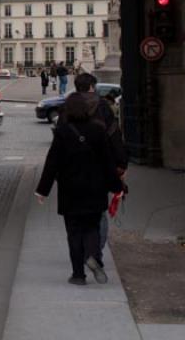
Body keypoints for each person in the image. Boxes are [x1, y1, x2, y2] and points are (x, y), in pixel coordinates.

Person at [35, 92, 123, 285]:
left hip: (70, 189)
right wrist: (117, 186)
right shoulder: (98, 130)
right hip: (95, 187)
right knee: (91, 226)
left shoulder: (63, 132)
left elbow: (52, 163)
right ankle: (92, 255)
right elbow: (108, 162)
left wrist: (43, 190)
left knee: (73, 231)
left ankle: (78, 275)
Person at [62, 72, 128, 264]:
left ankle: (79, 250)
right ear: (92, 87)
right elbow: (114, 135)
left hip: (72, 168)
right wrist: (121, 164)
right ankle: (94, 251)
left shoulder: (68, 106)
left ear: (76, 86)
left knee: (75, 211)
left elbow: (60, 138)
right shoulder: (103, 107)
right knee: (98, 211)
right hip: (99, 166)